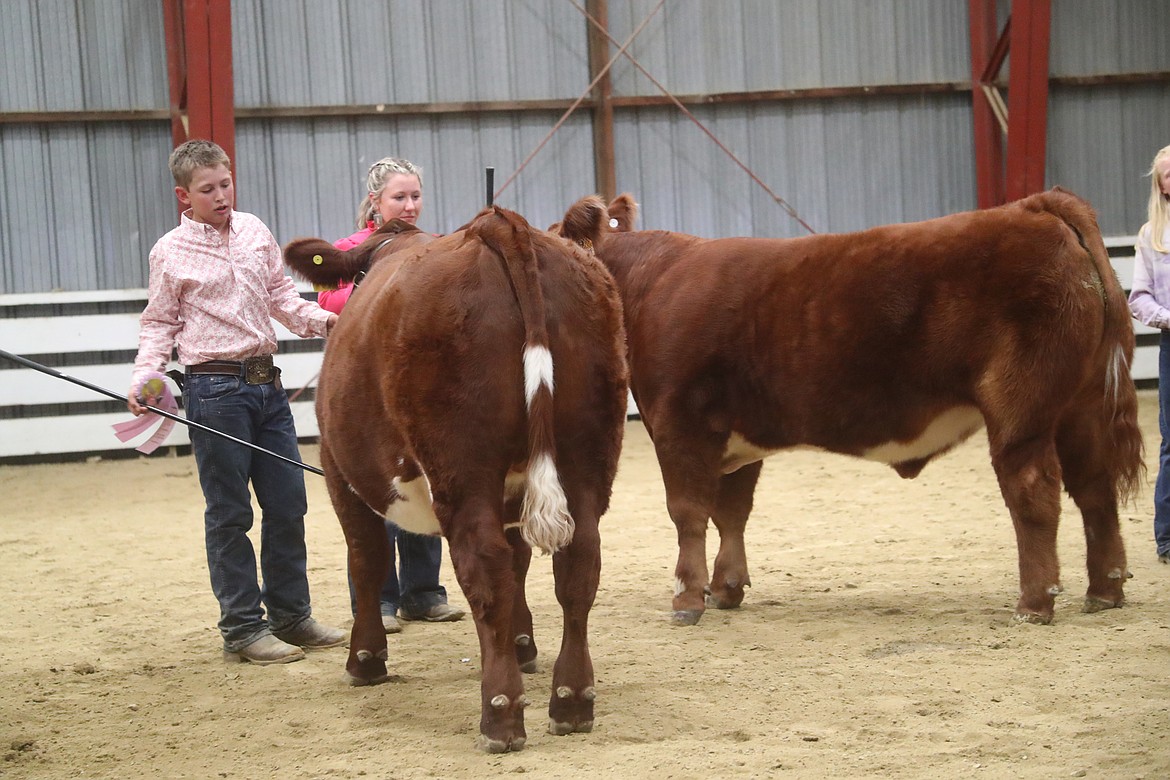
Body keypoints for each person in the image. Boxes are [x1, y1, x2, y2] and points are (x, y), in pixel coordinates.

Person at [127, 139, 347, 664]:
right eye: (208, 189)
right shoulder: (169, 252)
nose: (221, 195)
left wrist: (332, 322)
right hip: (214, 389)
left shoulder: (254, 231)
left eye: (225, 183)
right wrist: (145, 376)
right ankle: (243, 628)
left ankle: (292, 616)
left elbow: (283, 300)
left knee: (288, 501)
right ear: (185, 195)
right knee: (229, 513)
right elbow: (160, 323)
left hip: (267, 386)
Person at [320, 156, 466, 633]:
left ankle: (423, 593)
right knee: (372, 487)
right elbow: (327, 298)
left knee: (426, 479)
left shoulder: (438, 247)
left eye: (415, 196)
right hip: (364, 389)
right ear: (376, 201)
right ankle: (378, 601)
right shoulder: (349, 250)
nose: (409, 206)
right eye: (399, 197)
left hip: (422, 384)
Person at [1128, 143, 1170, 565]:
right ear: (1160, 184)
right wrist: (1169, 318)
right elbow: (1138, 298)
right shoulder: (1151, 236)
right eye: (1168, 173)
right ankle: (1167, 538)